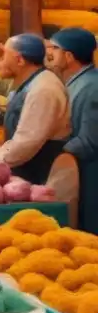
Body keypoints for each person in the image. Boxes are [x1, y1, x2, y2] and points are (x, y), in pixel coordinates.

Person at [0, 33, 71, 183]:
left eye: (4, 55)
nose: (0, 62)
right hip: (25, 166)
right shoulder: (29, 82)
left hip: (39, 173)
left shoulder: (44, 90)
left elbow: (26, 142)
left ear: (19, 60)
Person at [48, 27, 98, 233]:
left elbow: (89, 140)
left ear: (68, 56)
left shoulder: (92, 87)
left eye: (54, 48)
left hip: (90, 175)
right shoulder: (75, 83)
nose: (49, 53)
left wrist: (52, 151)